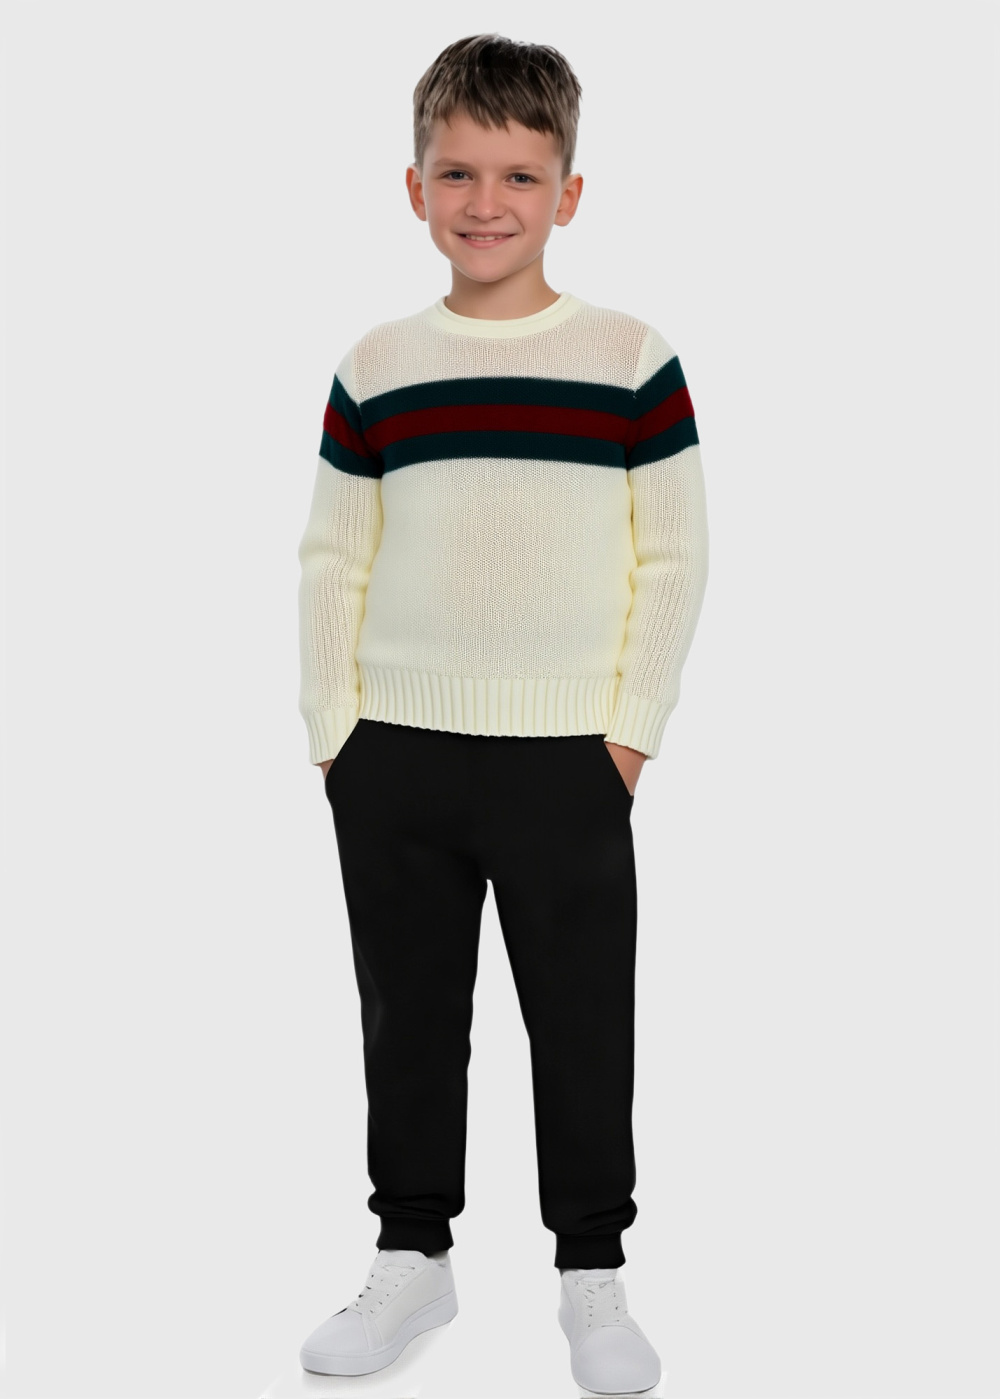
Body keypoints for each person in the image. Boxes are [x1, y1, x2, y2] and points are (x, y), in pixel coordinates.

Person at [296, 31, 710, 1393]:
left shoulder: (630, 359)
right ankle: (412, 1256)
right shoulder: (376, 367)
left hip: (567, 759)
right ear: (414, 187)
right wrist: (336, 734)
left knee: (581, 1020)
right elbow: (333, 557)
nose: (487, 203)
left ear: (568, 193)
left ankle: (593, 1274)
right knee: (409, 1018)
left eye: (520, 176)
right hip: (396, 755)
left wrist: (628, 733)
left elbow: (673, 556)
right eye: (458, 173)